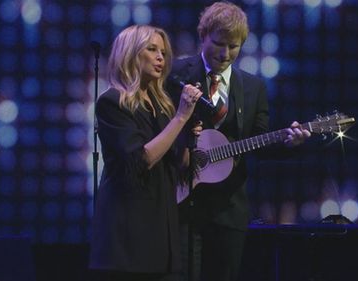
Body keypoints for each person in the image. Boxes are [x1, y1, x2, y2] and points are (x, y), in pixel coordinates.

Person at [166, 2, 311, 281]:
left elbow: (259, 141)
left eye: (234, 46)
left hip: (229, 210)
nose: (225, 54)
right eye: (219, 44)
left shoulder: (253, 87)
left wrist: (289, 143)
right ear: (203, 36)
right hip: (181, 204)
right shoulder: (176, 74)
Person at [88, 25, 204, 281]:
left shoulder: (162, 107)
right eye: (152, 49)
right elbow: (141, 159)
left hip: (162, 231)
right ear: (130, 54)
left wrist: (191, 136)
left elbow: (177, 162)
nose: (161, 57)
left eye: (163, 51)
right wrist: (181, 117)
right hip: (128, 235)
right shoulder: (112, 102)